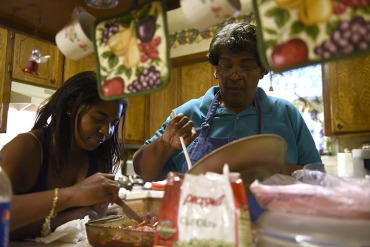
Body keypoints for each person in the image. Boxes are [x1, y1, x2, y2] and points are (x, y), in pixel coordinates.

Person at [132, 23, 322, 220]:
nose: (234, 75)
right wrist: (164, 144)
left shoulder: (286, 114)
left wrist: (282, 172)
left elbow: (317, 178)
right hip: (201, 232)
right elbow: (144, 171)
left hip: (272, 232)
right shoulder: (188, 113)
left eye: (246, 66)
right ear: (216, 70)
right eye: (226, 65)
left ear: (262, 71)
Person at [0, 71, 129, 240]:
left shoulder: (99, 160)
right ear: (70, 107)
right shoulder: (27, 148)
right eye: (98, 118)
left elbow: (93, 219)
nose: (107, 131)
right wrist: (73, 197)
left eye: (114, 123)